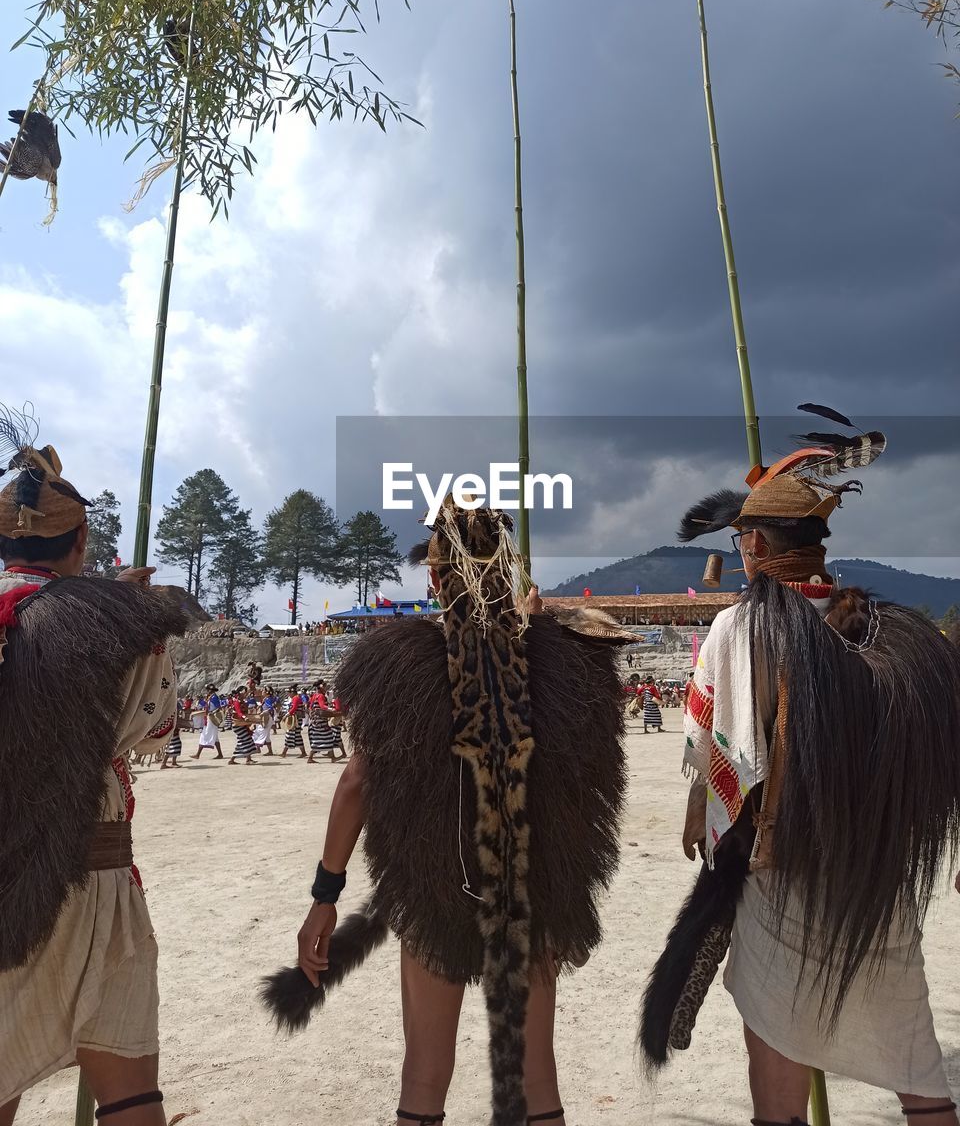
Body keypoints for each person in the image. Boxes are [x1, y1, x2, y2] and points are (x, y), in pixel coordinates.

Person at [263, 498, 631, 1126]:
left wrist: (325, 896)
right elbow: (595, 781)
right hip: (532, 892)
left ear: (436, 579)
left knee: (425, 1076)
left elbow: (357, 782)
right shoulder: (567, 657)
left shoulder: (399, 664)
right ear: (508, 570)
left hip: (438, 892)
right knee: (535, 1075)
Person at [642, 414, 960, 1125]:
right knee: (918, 1067)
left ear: (756, 545)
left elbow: (719, 752)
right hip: (873, 879)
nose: (739, 550)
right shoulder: (890, 629)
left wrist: (704, 806)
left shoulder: (741, 627)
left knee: (777, 1062)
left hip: (779, 875)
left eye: (740, 540)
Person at [0, 418, 188, 1125]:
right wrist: (130, 613)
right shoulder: (120, 624)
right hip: (94, 883)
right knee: (132, 1100)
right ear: (80, 542)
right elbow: (159, 730)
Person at [192, 683, 224, 760]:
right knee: (214, 737)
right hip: (209, 718)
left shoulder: (214, 697)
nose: (207, 691)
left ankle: (198, 754)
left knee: (205, 735)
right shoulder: (210, 697)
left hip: (212, 718)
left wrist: (212, 712)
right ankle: (220, 754)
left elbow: (218, 707)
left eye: (208, 690)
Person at [229, 698, 259, 766]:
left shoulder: (243, 701)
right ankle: (232, 759)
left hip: (242, 723)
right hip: (237, 724)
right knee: (244, 740)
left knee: (248, 740)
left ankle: (248, 759)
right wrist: (244, 717)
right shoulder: (236, 702)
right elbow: (239, 712)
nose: (245, 693)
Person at [280, 687, 306, 759]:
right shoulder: (296, 698)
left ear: (292, 692)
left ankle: (284, 752)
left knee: (290, 734)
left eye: (288, 692)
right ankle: (303, 752)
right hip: (296, 719)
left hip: (296, 719)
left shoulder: (296, 698)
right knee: (297, 736)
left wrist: (286, 715)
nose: (288, 694)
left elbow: (294, 708)